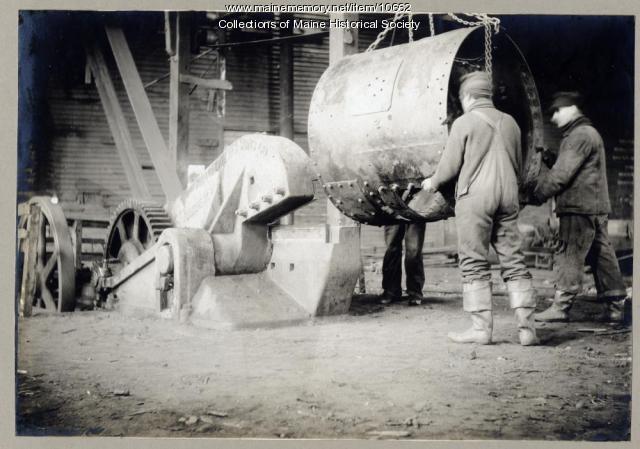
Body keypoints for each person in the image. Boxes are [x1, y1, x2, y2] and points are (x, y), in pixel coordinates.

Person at [421, 71, 538, 346]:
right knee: (514, 259)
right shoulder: (511, 123)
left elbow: (449, 166)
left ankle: (481, 329)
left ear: (468, 96)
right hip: (508, 195)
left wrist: (432, 182)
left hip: (476, 197)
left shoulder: (465, 122)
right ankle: (527, 329)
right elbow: (519, 165)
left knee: (473, 260)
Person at [532, 91, 628, 323]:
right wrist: (552, 158)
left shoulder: (579, 135)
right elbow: (578, 171)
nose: (553, 117)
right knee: (602, 256)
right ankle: (615, 308)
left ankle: (561, 307)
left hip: (578, 207)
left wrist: (536, 195)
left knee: (569, 253)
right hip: (593, 206)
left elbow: (562, 175)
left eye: (557, 111)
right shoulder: (588, 134)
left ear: (572, 109)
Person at [379, 223, 426, 306]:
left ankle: (415, 292)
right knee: (391, 248)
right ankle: (391, 291)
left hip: (415, 212)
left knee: (413, 250)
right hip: (393, 212)